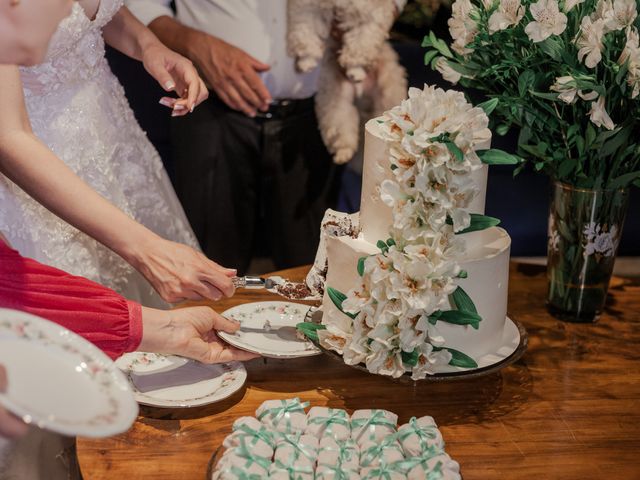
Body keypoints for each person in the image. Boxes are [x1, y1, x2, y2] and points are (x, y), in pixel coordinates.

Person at [0, 0, 233, 309]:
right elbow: (10, 137)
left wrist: (148, 45)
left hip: (114, 136)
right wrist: (147, 250)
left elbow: (93, 14)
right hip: (39, 168)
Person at [125, 0, 344, 275]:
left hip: (318, 114)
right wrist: (193, 43)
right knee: (208, 265)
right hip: (210, 112)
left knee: (316, 266)